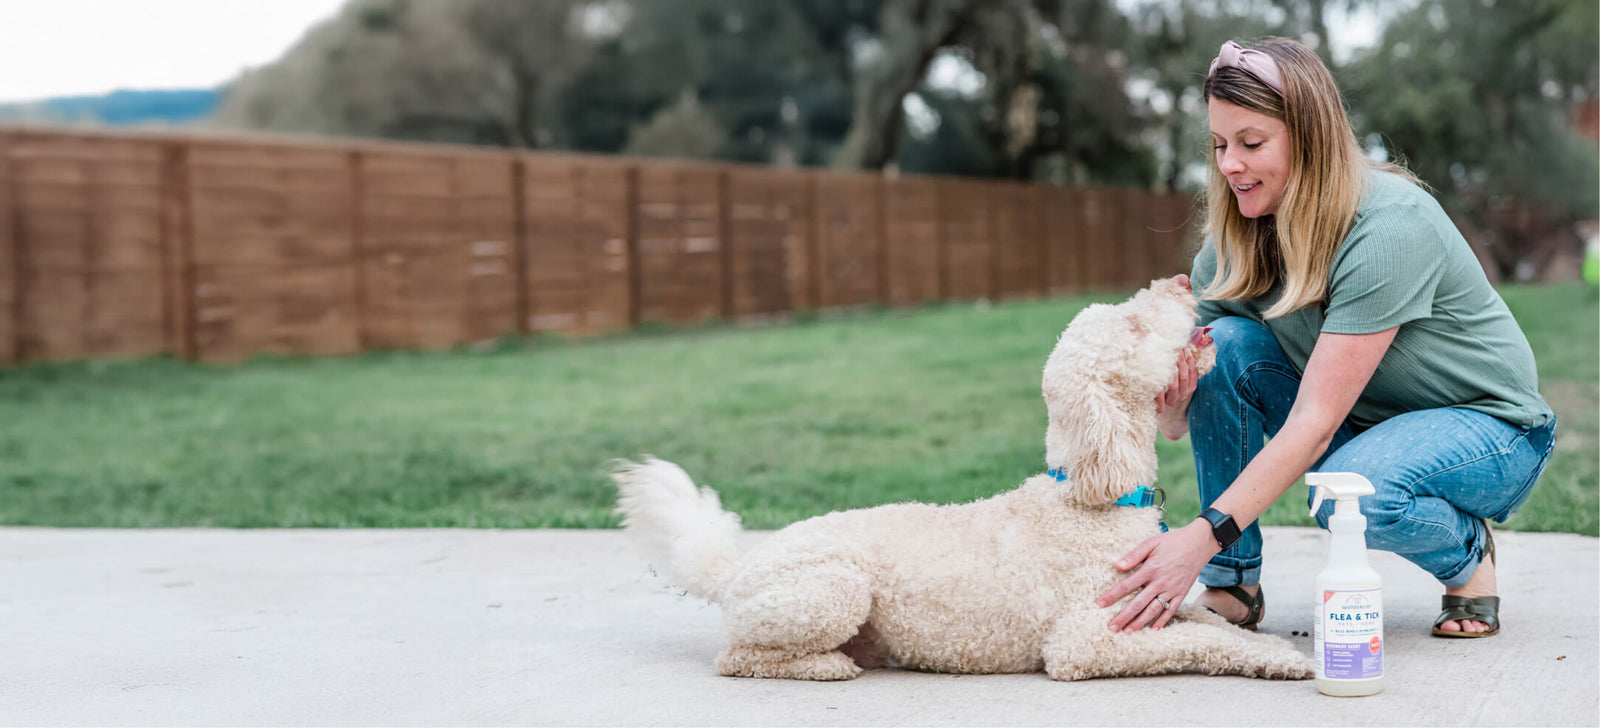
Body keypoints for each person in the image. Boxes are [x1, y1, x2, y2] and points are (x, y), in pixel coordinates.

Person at [1094, 38, 1557, 638]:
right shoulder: (1239, 236)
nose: (1229, 164)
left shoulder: (1389, 225)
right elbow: (1182, 421)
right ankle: (1234, 583)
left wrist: (1198, 537)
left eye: (1251, 143)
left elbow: (1313, 423)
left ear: (1310, 138)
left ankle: (1468, 555)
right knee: (1224, 345)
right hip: (1362, 421)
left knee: (1351, 495)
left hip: (1492, 428)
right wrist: (1175, 397)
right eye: (1220, 145)